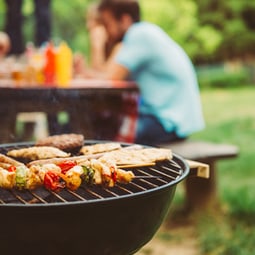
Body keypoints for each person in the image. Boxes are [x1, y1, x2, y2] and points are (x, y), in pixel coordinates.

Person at [79, 0, 205, 146]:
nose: (106, 31)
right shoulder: (143, 33)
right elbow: (106, 74)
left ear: (125, 20)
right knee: (102, 127)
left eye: (107, 24)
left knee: (107, 138)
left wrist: (97, 44)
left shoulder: (140, 34)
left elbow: (110, 78)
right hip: (168, 117)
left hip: (167, 121)